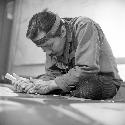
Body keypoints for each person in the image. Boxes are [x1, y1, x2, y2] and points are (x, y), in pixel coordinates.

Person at [13, 9, 123, 100]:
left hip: (103, 81)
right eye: (42, 48)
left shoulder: (84, 26)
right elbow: (53, 75)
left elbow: (87, 69)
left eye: (49, 45)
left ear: (62, 32)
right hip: (75, 83)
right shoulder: (53, 43)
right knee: (52, 85)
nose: (48, 52)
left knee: (85, 88)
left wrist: (51, 85)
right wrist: (33, 84)